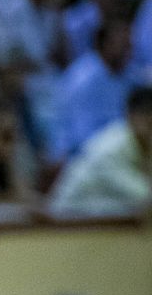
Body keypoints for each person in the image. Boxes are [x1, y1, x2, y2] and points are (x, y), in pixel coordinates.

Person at [50, 12, 138, 162]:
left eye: (129, 46)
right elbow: (81, 138)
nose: (128, 52)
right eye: (123, 45)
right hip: (79, 157)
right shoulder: (83, 79)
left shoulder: (128, 73)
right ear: (103, 45)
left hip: (115, 151)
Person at [51, 83, 152, 213]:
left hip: (109, 219)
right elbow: (143, 195)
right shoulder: (111, 148)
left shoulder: (144, 142)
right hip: (67, 223)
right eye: (147, 115)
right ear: (130, 115)